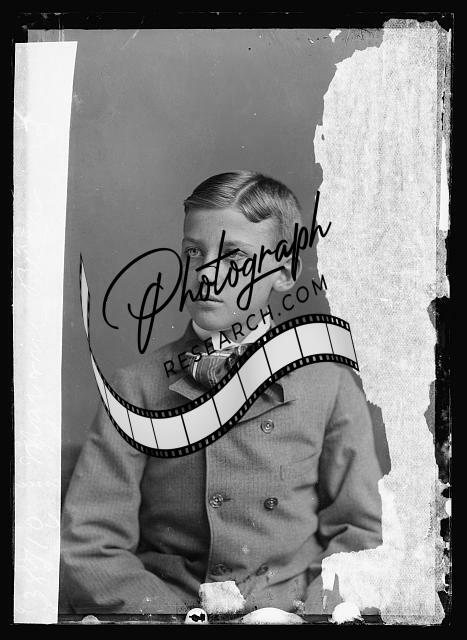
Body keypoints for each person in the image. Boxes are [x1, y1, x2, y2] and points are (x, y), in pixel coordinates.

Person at [60, 171, 383, 617]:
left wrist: (305, 614)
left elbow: (361, 533)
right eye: (194, 252)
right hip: (168, 614)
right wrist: (174, 617)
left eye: (235, 256)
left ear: (285, 272)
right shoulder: (137, 387)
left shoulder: (328, 382)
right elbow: (89, 543)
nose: (207, 273)